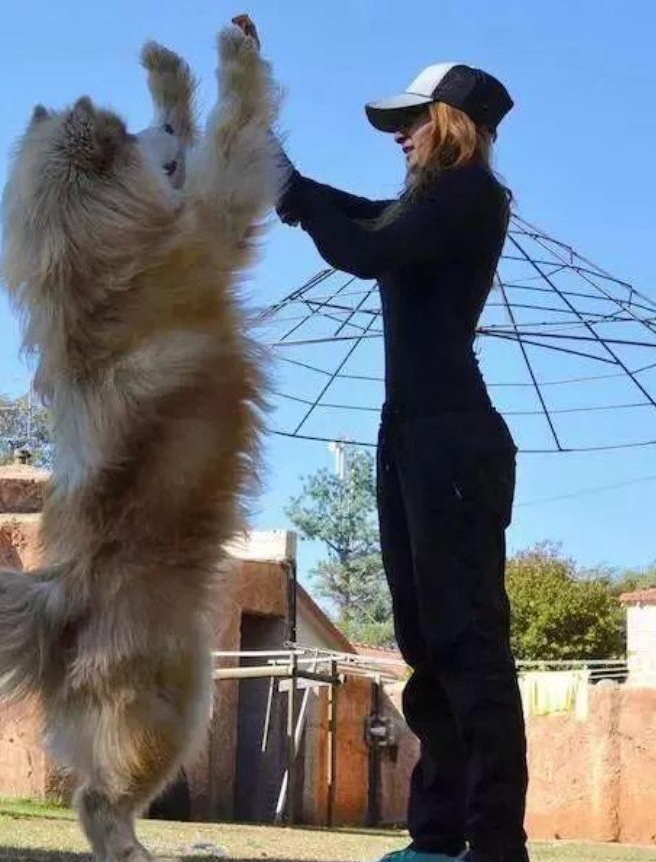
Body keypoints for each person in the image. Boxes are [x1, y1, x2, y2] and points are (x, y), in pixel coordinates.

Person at [232, 16, 528, 862]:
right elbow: (355, 219)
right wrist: (272, 156)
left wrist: (291, 183)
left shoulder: (470, 195)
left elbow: (368, 247)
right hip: (410, 436)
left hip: (453, 441)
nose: (398, 135)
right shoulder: (426, 205)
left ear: (452, 123)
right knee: (426, 644)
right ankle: (436, 837)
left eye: (411, 120)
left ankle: (495, 844)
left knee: (469, 641)